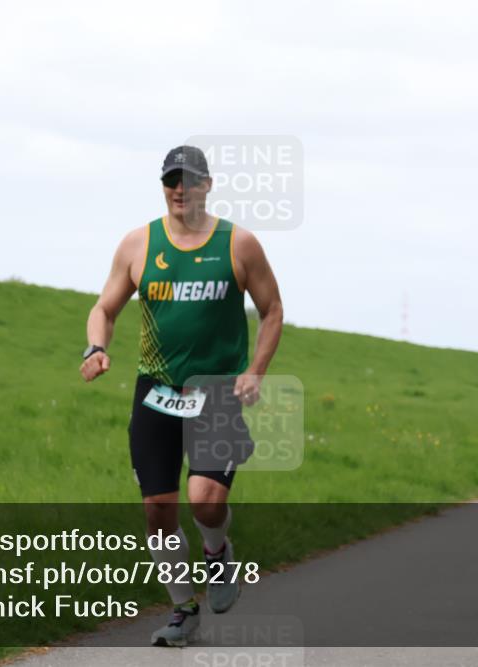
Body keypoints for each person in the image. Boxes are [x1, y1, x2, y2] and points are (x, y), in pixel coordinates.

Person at [80, 145, 283, 646]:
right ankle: (182, 609)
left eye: (189, 180)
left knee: (205, 504)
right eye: (172, 179)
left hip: (216, 391)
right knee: (158, 511)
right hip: (156, 391)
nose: (179, 188)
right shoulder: (138, 245)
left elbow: (273, 308)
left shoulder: (238, 244)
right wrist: (95, 347)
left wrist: (256, 370)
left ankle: (217, 553)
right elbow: (104, 308)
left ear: (208, 185)